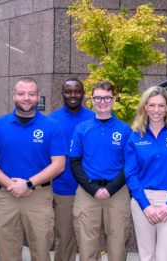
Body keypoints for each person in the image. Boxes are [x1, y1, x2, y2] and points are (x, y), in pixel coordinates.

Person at [0, 77, 67, 261]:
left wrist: (28, 184)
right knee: (7, 252)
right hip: (7, 196)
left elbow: (59, 165)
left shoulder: (51, 126)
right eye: (21, 93)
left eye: (31, 94)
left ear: (38, 97)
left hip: (39, 197)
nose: (26, 98)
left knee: (41, 252)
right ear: (13, 95)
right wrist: (12, 185)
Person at [125, 86, 167, 261]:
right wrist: (145, 205)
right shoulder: (135, 136)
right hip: (142, 200)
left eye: (161, 106)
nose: (156, 110)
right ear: (145, 107)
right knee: (146, 255)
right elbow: (131, 175)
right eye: (152, 105)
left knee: (165, 256)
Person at [69, 81, 132, 261]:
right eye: (98, 97)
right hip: (88, 192)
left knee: (118, 245)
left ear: (113, 100)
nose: (102, 101)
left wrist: (110, 189)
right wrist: (93, 189)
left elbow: (130, 164)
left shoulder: (124, 129)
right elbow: (74, 162)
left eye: (106, 97)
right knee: (87, 246)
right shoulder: (82, 128)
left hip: (117, 191)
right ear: (92, 100)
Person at [48, 78, 94, 261]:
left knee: (90, 241)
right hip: (63, 190)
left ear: (83, 93)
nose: (73, 95)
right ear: (62, 93)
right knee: (64, 240)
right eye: (68, 91)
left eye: (77, 91)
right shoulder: (52, 121)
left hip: (90, 189)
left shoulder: (94, 118)